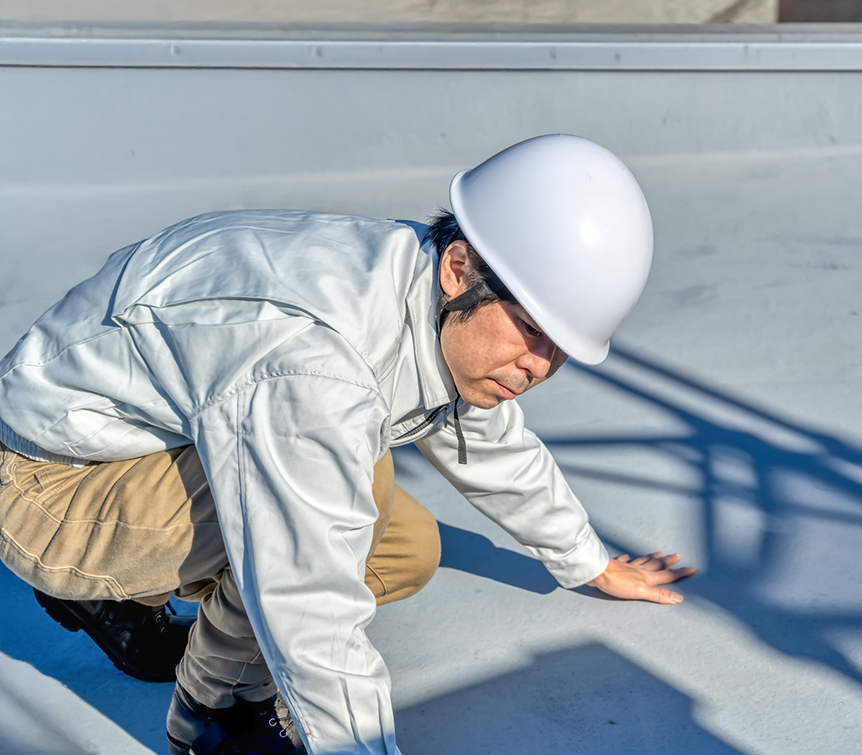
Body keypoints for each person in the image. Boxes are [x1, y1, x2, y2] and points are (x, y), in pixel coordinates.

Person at [0, 134, 695, 755]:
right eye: (532, 331)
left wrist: (587, 560)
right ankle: (214, 712)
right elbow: (310, 600)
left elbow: (482, 432)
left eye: (561, 349)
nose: (539, 367)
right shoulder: (312, 364)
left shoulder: (418, 282)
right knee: (328, 501)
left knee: (404, 545)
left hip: (137, 439)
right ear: (461, 267)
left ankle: (134, 603)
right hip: (44, 478)